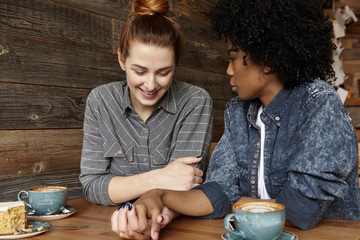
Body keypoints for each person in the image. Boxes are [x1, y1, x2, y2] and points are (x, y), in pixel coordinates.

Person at [111, 0, 360, 239]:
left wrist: (232, 204)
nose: (229, 70)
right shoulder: (237, 112)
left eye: (232, 58)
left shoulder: (318, 104)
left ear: (266, 61)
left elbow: (300, 212)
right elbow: (217, 192)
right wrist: (158, 197)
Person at [79, 0, 213, 207]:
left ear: (176, 63)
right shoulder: (101, 101)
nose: (150, 85)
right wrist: (158, 178)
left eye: (163, 72)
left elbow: (185, 183)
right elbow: (92, 185)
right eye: (139, 71)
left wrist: (122, 187)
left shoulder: (195, 101)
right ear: (121, 59)